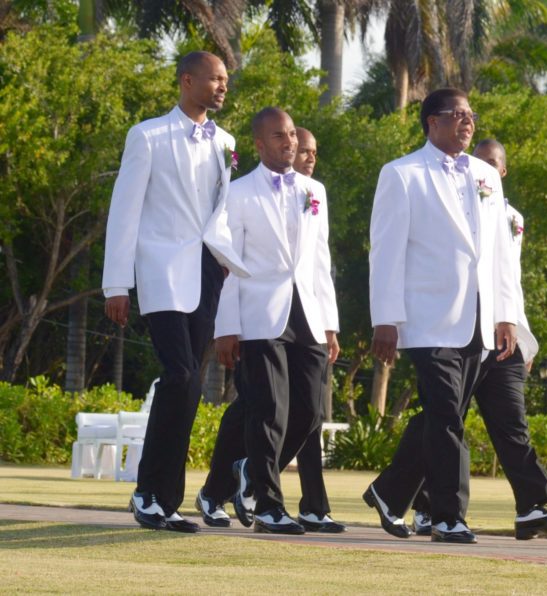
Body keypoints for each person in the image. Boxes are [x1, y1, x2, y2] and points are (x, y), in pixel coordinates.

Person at [365, 88, 519, 544]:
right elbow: (385, 251)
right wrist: (385, 318)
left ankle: (389, 492)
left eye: (471, 114)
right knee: (448, 414)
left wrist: (506, 313)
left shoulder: (485, 175)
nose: (468, 121)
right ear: (432, 122)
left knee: (443, 414)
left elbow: (499, 252)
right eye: (457, 114)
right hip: (426, 317)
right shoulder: (402, 174)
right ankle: (448, 517)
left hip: (478, 317)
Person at [406, 139, 547, 540]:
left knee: (512, 423)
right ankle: (426, 506)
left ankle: (531, 508)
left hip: (503, 335)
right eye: (477, 161)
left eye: (492, 163)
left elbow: (509, 279)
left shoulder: (513, 218)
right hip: (457, 332)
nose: (483, 169)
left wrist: (520, 333)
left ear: (502, 171)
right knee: (446, 420)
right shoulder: (449, 207)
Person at [102, 51, 235, 533]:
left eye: (225, 80)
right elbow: (125, 211)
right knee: (180, 376)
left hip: (208, 275)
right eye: (214, 78)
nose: (222, 86)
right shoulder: (147, 135)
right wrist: (117, 283)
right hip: (160, 271)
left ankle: (164, 501)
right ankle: (148, 493)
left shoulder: (226, 142)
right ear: (187, 80)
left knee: (189, 384)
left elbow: (223, 214)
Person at [195, 126, 346, 533]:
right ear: (260, 144)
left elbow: (320, 261)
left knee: (309, 411)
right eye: (279, 136)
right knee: (268, 410)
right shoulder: (239, 192)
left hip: (308, 315)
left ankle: (249, 471)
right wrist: (227, 326)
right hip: (259, 315)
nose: (290, 142)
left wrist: (329, 324)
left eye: (292, 135)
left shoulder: (315, 191)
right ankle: (268, 507)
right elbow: (228, 264)